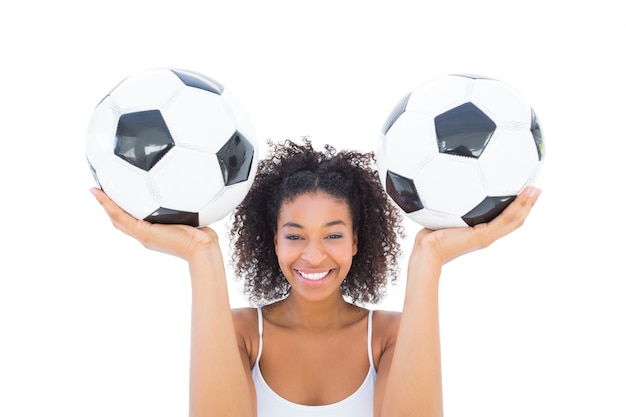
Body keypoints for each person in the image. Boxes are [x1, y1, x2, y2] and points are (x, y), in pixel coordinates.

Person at [91, 138, 541, 417]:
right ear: (273, 241)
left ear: (357, 242)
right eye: (295, 235)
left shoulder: (388, 336)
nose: (313, 254)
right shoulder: (243, 333)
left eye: (333, 234)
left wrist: (429, 257)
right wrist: (202, 254)